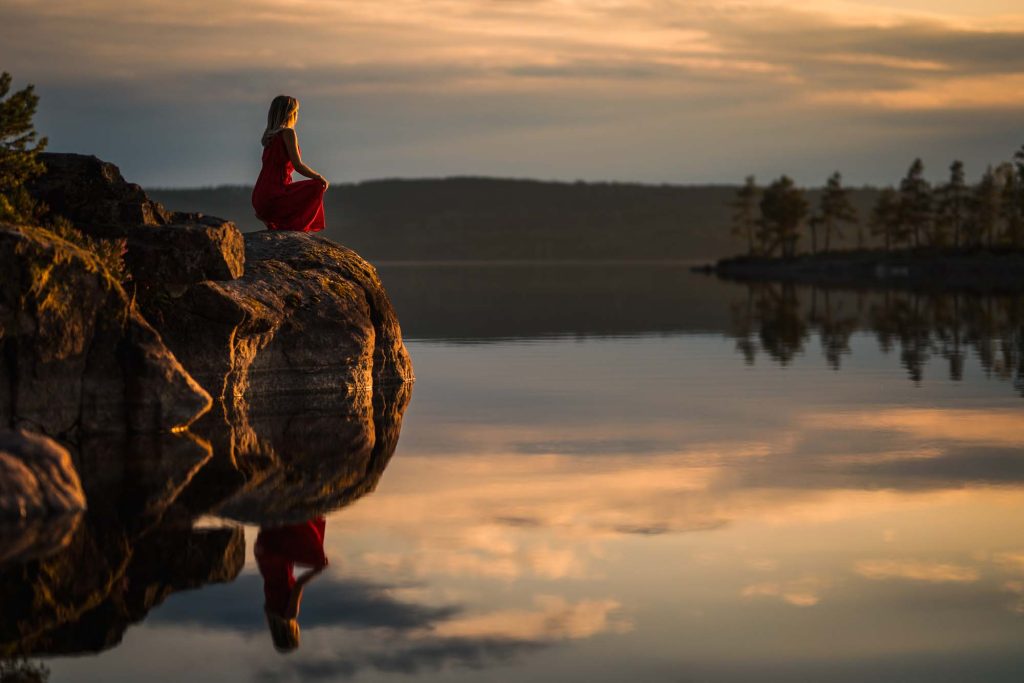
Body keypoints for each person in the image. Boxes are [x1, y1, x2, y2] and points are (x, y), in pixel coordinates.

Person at [252, 95, 329, 232]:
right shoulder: (288, 133)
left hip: (260, 196)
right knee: (317, 186)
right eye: (297, 111)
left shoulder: (269, 137)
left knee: (299, 189)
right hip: (275, 193)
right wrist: (318, 177)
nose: (298, 115)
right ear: (290, 113)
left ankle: (273, 220)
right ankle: (290, 227)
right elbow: (297, 165)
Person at [254, 517, 329, 653]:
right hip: (264, 556)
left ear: (292, 633)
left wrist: (317, 570)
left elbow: (298, 585)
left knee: (315, 554)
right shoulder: (269, 611)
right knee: (272, 522)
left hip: (279, 558)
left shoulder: (290, 614)